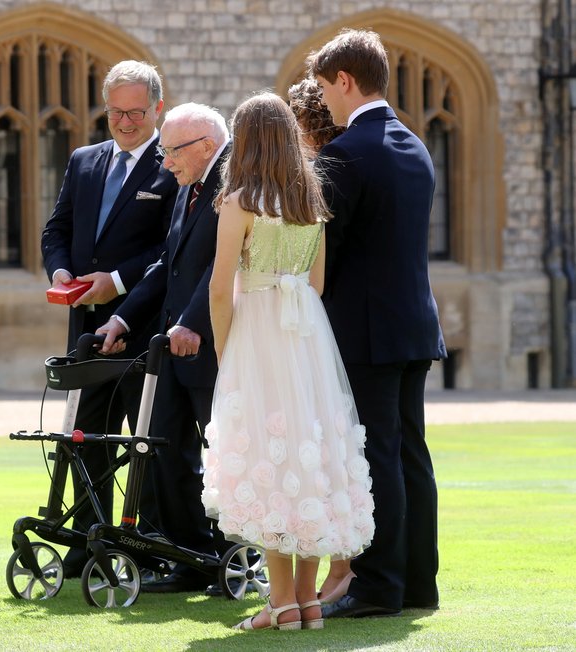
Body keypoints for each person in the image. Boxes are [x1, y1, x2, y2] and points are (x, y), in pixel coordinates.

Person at [203, 91, 375, 631]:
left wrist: (227, 350)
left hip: (258, 331)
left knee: (267, 454)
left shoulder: (240, 200)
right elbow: (318, 284)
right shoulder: (311, 198)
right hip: (306, 337)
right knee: (310, 451)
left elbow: (217, 289)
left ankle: (280, 603)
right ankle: (307, 599)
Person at [309, 29, 447, 618]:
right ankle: (419, 585)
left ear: (345, 80)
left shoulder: (345, 152)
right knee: (411, 454)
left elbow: (326, 250)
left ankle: (379, 587)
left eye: (324, 89)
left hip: (366, 331)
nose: (324, 104)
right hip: (415, 324)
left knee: (378, 457)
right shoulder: (415, 145)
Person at [40, 60, 178, 577]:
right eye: (116, 112)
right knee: (83, 438)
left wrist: (116, 282)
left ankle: (147, 545)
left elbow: (173, 248)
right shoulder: (84, 160)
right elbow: (57, 229)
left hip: (142, 328)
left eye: (136, 112)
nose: (124, 122)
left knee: (145, 441)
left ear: (157, 108)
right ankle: (86, 540)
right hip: (84, 329)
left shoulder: (175, 163)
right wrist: (60, 272)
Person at [95, 102, 231, 593]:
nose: (164, 161)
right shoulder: (187, 186)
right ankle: (192, 556)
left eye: (172, 151)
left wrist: (193, 322)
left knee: (224, 453)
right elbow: (166, 266)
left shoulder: (232, 186)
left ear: (207, 147)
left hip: (213, 343)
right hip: (171, 343)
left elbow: (225, 267)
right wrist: (122, 316)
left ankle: (233, 556)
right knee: (163, 449)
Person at [288, 76, 353, 605]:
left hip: (320, 330)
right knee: (329, 450)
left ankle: (339, 570)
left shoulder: (322, 177)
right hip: (315, 325)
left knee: (324, 452)